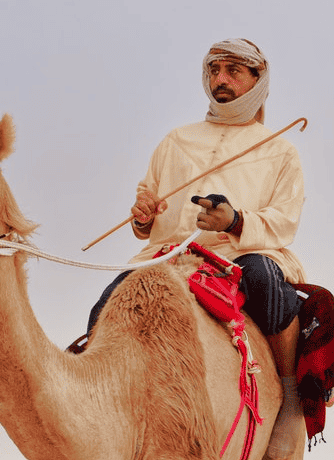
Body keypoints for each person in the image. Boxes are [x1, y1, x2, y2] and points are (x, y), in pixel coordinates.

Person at [87, 38, 306, 459]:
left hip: (241, 252)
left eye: (233, 71)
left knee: (265, 281)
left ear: (258, 81)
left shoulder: (280, 149)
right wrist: (143, 217)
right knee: (107, 303)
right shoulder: (176, 140)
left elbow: (285, 220)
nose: (219, 79)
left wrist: (236, 221)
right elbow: (145, 207)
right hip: (171, 254)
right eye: (213, 70)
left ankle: (291, 397)